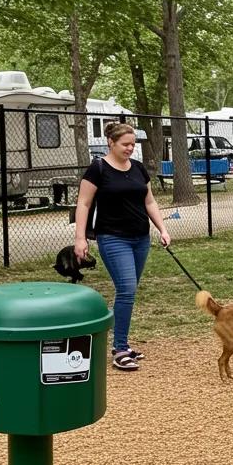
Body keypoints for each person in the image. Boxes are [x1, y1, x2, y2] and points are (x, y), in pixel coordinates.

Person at [74, 122, 171, 371]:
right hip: (113, 238)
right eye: (125, 144)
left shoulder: (138, 168)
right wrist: (80, 238)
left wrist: (162, 229)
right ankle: (120, 348)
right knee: (126, 289)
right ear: (111, 143)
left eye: (132, 144)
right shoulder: (98, 169)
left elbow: (149, 202)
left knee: (128, 292)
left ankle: (118, 339)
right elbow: (84, 204)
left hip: (140, 238)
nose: (130, 148)